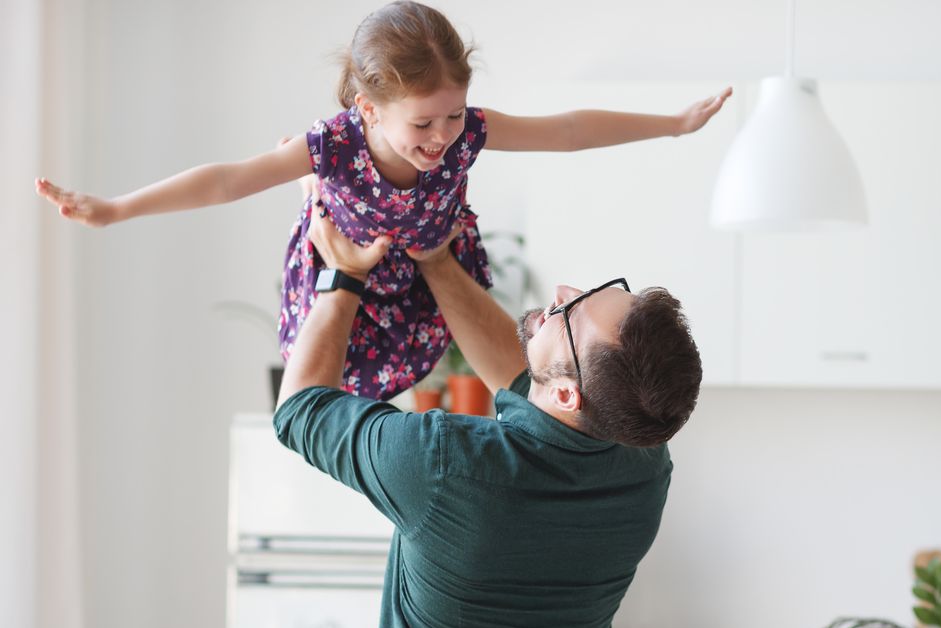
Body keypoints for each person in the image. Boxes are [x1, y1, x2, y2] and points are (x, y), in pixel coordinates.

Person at [35, 0, 729, 400]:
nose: (442, 137)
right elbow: (226, 179)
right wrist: (114, 208)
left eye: (452, 115)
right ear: (366, 108)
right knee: (325, 395)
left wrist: (671, 126)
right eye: (421, 123)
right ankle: (318, 199)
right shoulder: (334, 142)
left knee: (503, 378)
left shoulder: (469, 131)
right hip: (356, 281)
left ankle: (325, 204)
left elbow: (569, 131)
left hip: (427, 276)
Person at [272, 183, 702, 628]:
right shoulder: (641, 466)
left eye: (573, 315)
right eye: (602, 292)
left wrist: (342, 276)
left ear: (568, 396)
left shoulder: (444, 466)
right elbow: (535, 383)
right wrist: (436, 260)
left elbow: (300, 410)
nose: (562, 294)